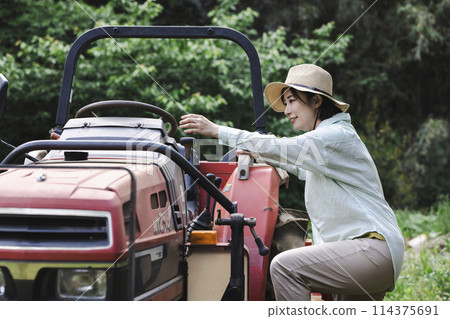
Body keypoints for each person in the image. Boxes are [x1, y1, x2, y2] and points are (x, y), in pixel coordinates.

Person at [179, 64, 404, 301]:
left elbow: (282, 147)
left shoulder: (334, 137)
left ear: (316, 101)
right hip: (366, 252)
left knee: (285, 267)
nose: (286, 110)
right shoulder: (328, 145)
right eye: (285, 103)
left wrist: (218, 131)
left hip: (370, 249)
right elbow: (297, 163)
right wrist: (271, 160)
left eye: (292, 100)